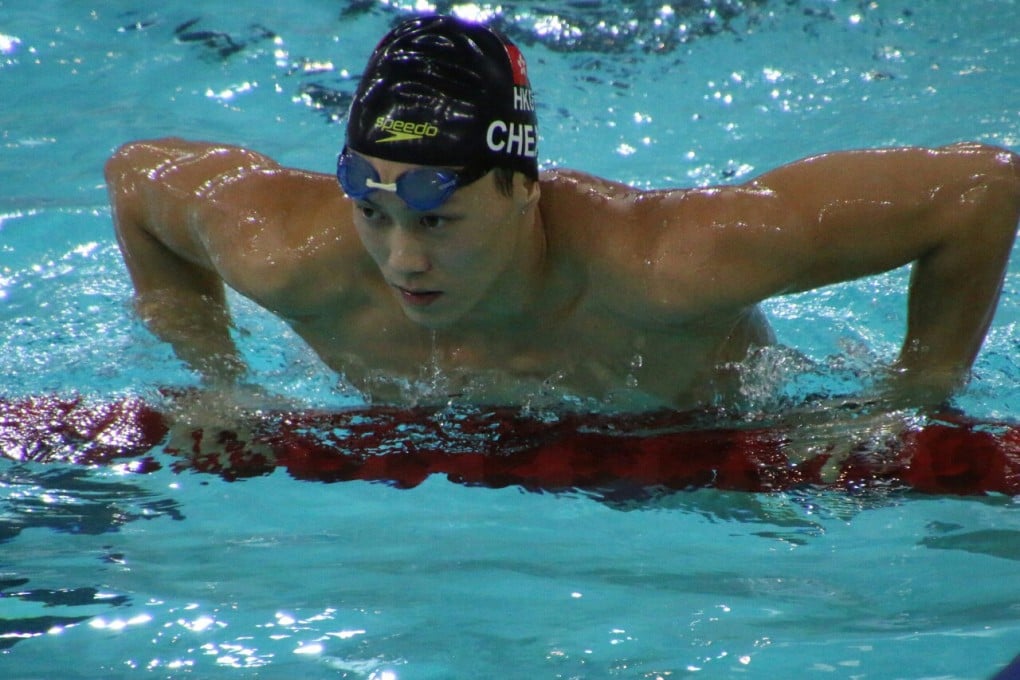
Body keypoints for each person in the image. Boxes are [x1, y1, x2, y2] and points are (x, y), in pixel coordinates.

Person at [106, 14, 1020, 413]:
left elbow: (982, 188)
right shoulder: (287, 251)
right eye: (374, 214)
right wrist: (213, 380)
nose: (400, 260)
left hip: (721, 446)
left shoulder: (671, 263)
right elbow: (136, 174)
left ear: (522, 186)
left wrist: (915, 393)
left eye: (438, 222)